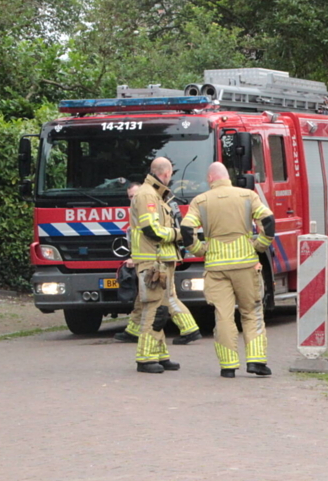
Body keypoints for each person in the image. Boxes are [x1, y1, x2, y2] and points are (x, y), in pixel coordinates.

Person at [181, 162, 275, 378]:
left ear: (210, 178)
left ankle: (228, 366)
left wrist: (199, 249)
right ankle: (256, 361)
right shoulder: (247, 196)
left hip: (215, 267)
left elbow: (186, 229)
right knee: (251, 312)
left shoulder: (200, 200)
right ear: (227, 177)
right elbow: (268, 221)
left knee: (223, 315)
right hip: (245, 264)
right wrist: (259, 244)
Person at [115, 181, 202, 346]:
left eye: (134, 196)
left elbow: (154, 234)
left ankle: (190, 329)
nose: (133, 200)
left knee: (168, 297)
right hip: (151, 259)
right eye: (130, 197)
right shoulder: (142, 208)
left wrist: (137, 258)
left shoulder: (151, 207)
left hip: (158, 259)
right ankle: (133, 331)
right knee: (143, 297)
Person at [130, 158, 186, 373]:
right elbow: (151, 230)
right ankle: (145, 358)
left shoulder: (155, 194)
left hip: (161, 261)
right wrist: (179, 234)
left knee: (160, 310)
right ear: (166, 174)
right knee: (153, 309)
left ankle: (160, 355)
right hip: (153, 262)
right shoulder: (147, 195)